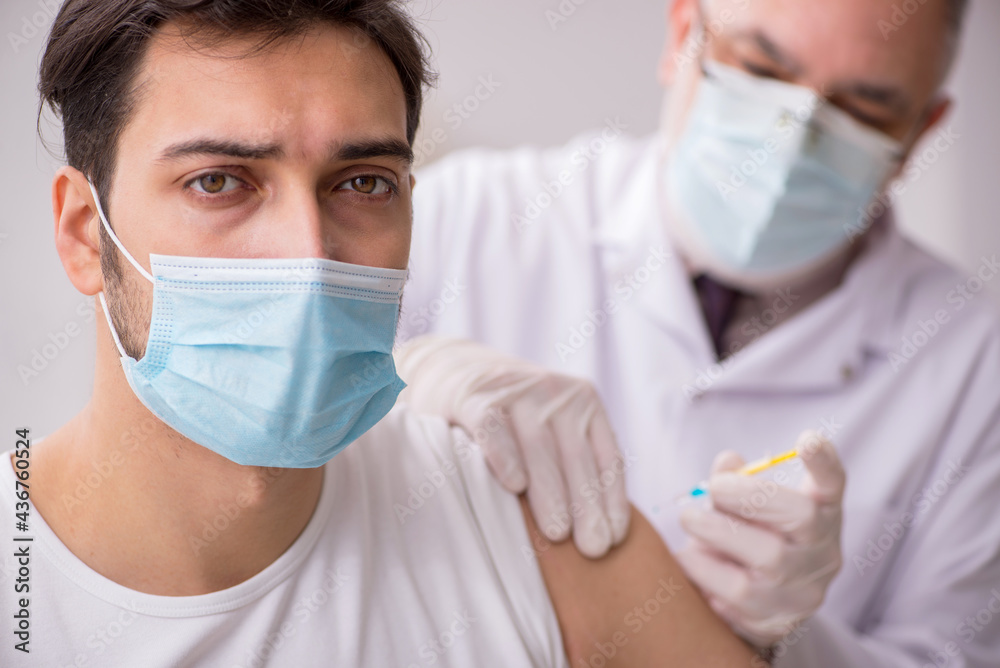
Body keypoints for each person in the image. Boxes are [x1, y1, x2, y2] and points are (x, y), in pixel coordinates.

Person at [0, 1, 760, 666]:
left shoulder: (516, 501)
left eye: (362, 182)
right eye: (219, 181)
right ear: (82, 236)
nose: (309, 251)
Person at [397, 0, 1000, 665]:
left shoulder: (975, 364)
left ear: (919, 132)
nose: (791, 136)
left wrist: (788, 642)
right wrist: (403, 393)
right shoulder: (463, 218)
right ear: (682, 33)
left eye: (862, 110)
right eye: (761, 66)